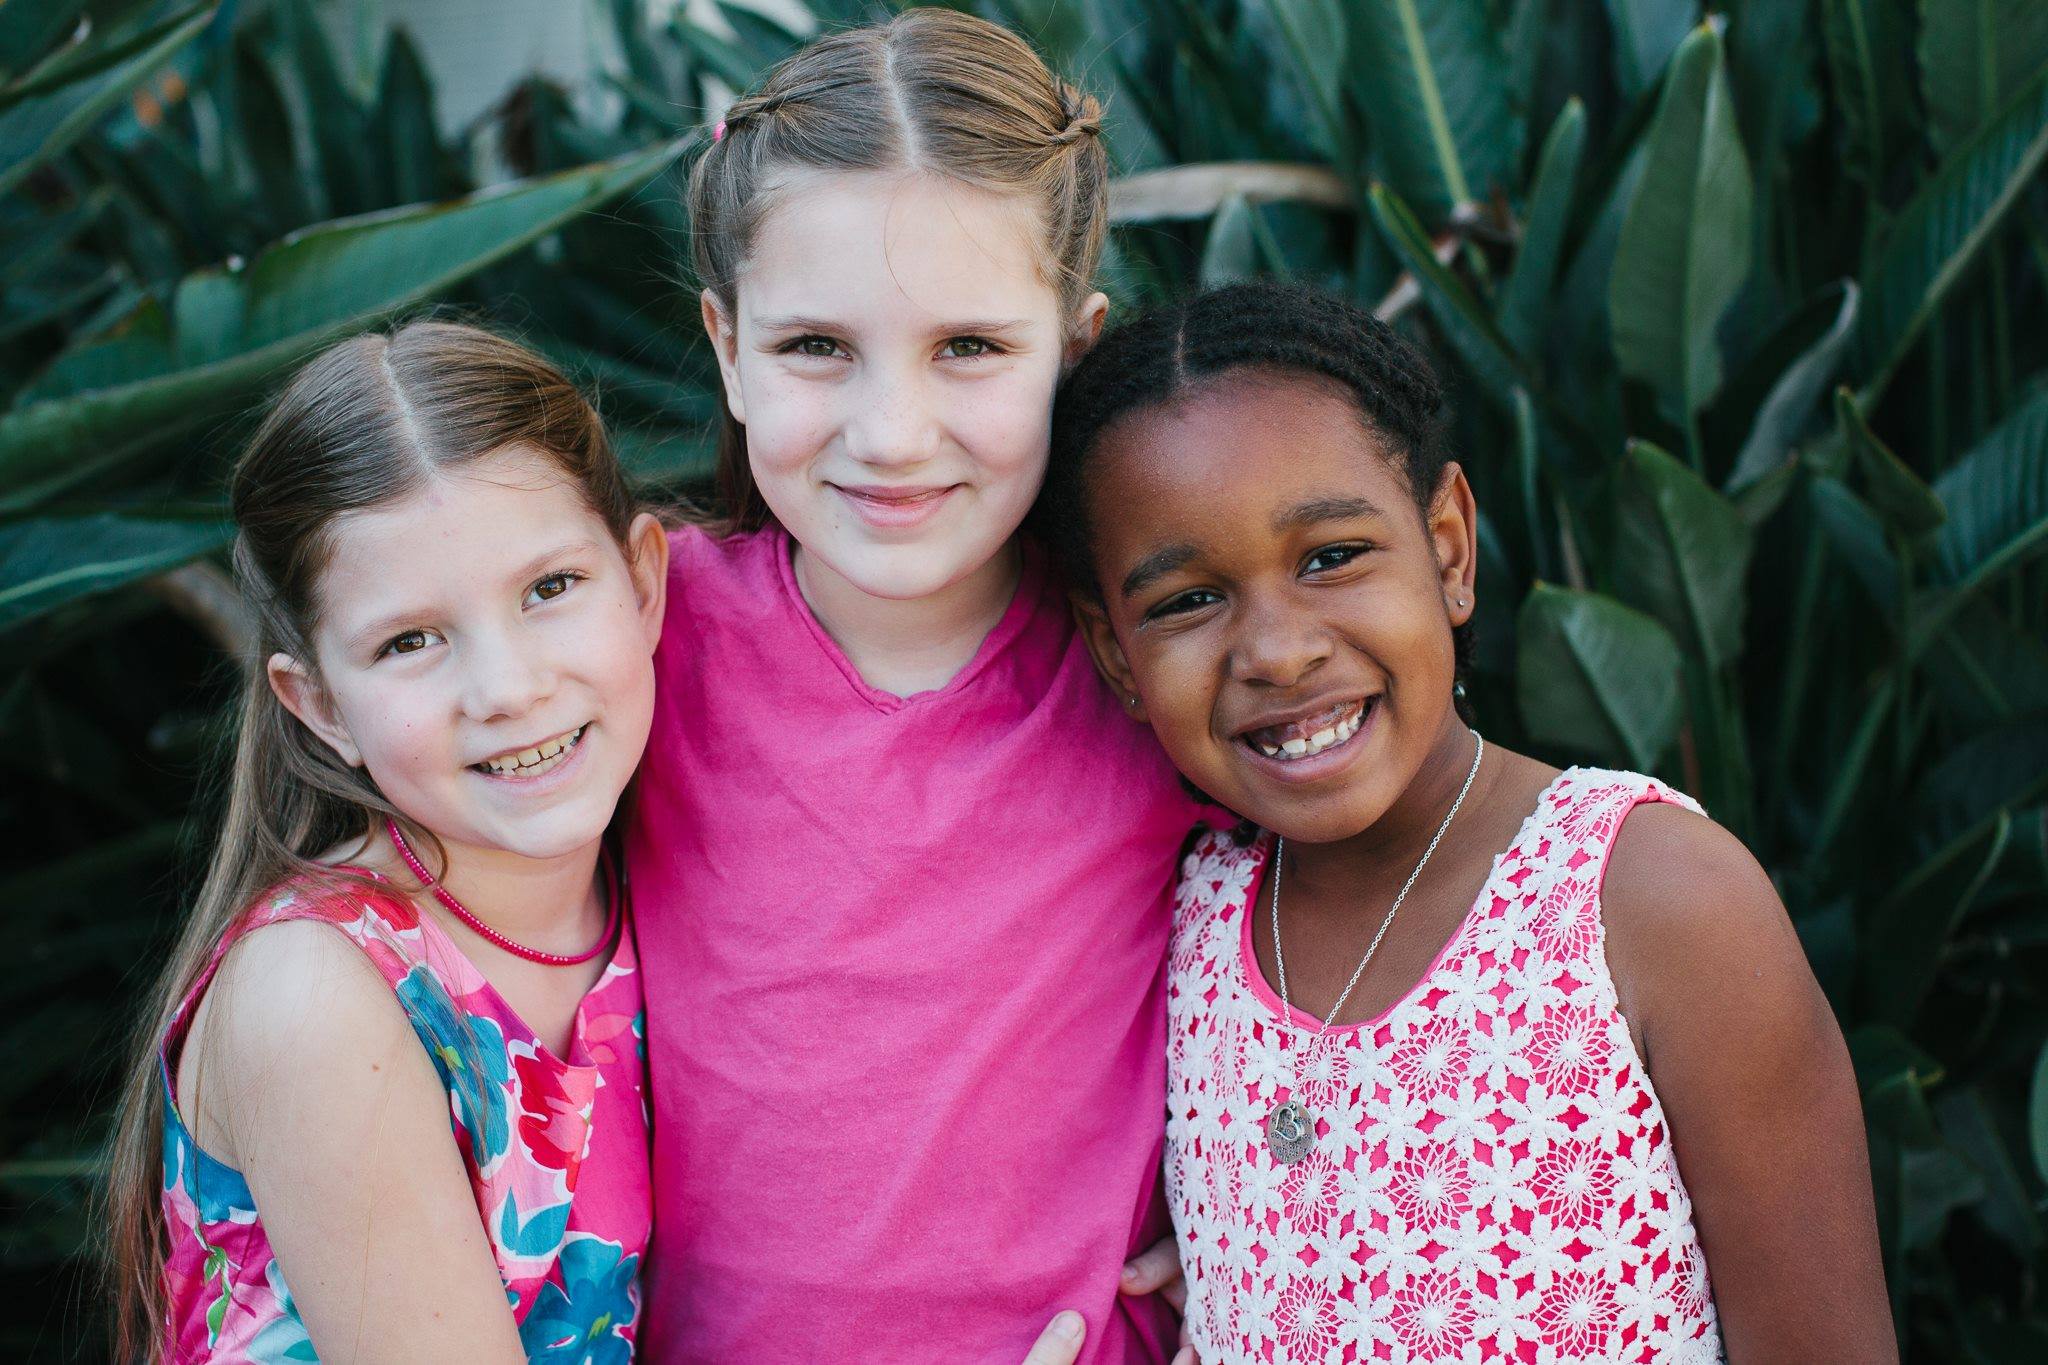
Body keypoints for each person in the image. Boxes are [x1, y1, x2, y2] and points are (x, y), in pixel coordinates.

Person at [1036, 281, 1895, 1363]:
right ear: (1115, 654)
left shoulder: (1652, 901)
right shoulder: (1178, 920)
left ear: (1446, 547)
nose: (1279, 652)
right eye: (1184, 602)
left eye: (1331, 556)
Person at [633, 9, 1200, 1360]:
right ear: (726, 346)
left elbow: (1360, 912)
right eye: (815, 347)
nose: (891, 436)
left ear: (1075, 348)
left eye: (970, 348)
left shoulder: (1153, 662)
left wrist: (1259, 1198)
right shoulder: (636, 636)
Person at [102, 322, 668, 1363]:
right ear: (318, 705)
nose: (508, 689)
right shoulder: (319, 994)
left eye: (549, 589)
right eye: (411, 641)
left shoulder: (670, 879)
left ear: (643, 584)